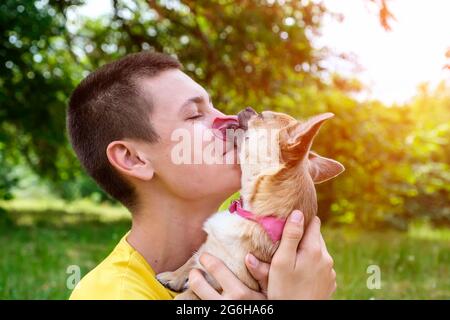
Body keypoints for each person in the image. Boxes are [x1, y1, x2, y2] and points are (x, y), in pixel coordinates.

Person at [67, 51, 336, 300]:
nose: (229, 119)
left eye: (215, 107)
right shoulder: (113, 294)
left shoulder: (266, 251)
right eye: (195, 115)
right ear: (133, 158)